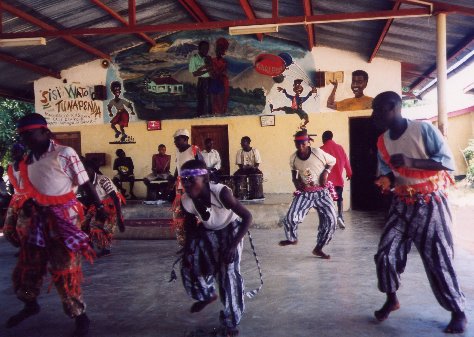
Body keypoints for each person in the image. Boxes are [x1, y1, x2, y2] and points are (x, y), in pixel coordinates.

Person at [3, 113, 106, 337]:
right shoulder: (27, 160)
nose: (26, 139)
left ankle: (79, 315)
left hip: (64, 220)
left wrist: (100, 208)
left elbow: (85, 183)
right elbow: (33, 189)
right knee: (29, 265)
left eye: (30, 134)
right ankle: (30, 304)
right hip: (38, 220)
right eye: (22, 135)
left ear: (46, 132)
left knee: (65, 270)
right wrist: (30, 205)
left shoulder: (64, 153)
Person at [371, 91, 466, 333]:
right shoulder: (382, 141)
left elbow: (447, 163)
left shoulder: (424, 130)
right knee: (385, 254)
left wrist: (412, 162)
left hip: (430, 202)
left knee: (438, 258)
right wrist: (386, 180)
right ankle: (392, 299)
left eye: (378, 109)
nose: (375, 115)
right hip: (401, 202)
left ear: (394, 107)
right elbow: (390, 173)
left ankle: (458, 311)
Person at [178, 159, 252, 336]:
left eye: (191, 180)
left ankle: (231, 321)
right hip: (208, 230)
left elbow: (247, 217)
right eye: (183, 180)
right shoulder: (186, 200)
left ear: (204, 178)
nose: (186, 184)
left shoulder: (221, 193)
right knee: (189, 265)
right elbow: (190, 226)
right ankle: (207, 294)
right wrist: (188, 249)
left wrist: (233, 247)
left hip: (231, 230)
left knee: (228, 273)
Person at [279, 129, 337, 259]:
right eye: (297, 143)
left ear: (308, 143)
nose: (300, 146)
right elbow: (294, 172)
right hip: (306, 193)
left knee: (331, 221)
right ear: (294, 143)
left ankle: (319, 248)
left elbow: (332, 161)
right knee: (290, 217)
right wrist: (295, 180)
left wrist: (325, 173)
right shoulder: (293, 158)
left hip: (322, 193)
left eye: (303, 143)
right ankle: (292, 238)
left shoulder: (318, 153)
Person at [83, 160, 125, 257]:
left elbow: (114, 197)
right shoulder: (85, 182)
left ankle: (105, 248)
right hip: (98, 204)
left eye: (86, 170)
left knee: (98, 227)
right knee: (83, 223)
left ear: (92, 170)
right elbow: (89, 198)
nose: (84, 173)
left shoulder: (103, 180)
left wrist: (119, 217)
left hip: (111, 205)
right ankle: (89, 245)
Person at [172, 129, 204, 245]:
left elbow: (202, 167)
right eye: (174, 140)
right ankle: (183, 242)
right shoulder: (178, 152)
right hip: (180, 188)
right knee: (179, 213)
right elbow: (178, 168)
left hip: (193, 187)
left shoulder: (193, 150)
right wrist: (172, 181)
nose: (175, 142)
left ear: (185, 139)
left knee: (194, 211)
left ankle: (197, 241)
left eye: (177, 140)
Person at [320, 130, 352, 229]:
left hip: (325, 182)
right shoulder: (340, 148)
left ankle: (328, 220)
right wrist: (349, 172)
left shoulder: (321, 150)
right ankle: (340, 217)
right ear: (331, 137)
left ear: (324, 139)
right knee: (339, 198)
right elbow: (346, 161)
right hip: (338, 181)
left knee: (326, 200)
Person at [189, 41, 212, 116]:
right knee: (201, 100)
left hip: (210, 80)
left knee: (210, 101)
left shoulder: (209, 58)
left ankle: (209, 116)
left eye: (207, 48)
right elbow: (194, 74)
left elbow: (212, 70)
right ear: (199, 49)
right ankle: (200, 115)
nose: (206, 50)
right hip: (202, 81)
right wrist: (207, 68)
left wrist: (207, 68)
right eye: (204, 48)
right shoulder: (194, 58)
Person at [210, 38, 229, 115]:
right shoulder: (212, 60)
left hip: (222, 81)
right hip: (214, 81)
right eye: (218, 47)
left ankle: (220, 112)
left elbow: (219, 72)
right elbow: (211, 71)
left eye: (221, 48)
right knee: (214, 99)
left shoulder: (224, 62)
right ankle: (215, 112)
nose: (218, 50)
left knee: (221, 98)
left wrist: (216, 73)